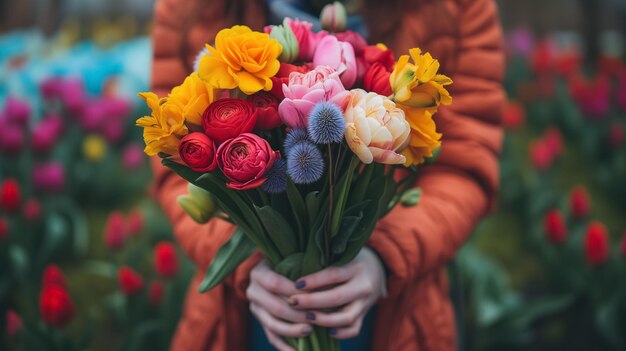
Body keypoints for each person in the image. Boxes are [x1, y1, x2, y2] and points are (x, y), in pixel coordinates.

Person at [150, 0, 505, 350]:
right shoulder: (188, 7)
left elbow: (463, 167)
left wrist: (384, 258)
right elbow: (177, 161)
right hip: (247, 309)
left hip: (395, 305)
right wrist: (246, 264)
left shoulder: (459, 7)